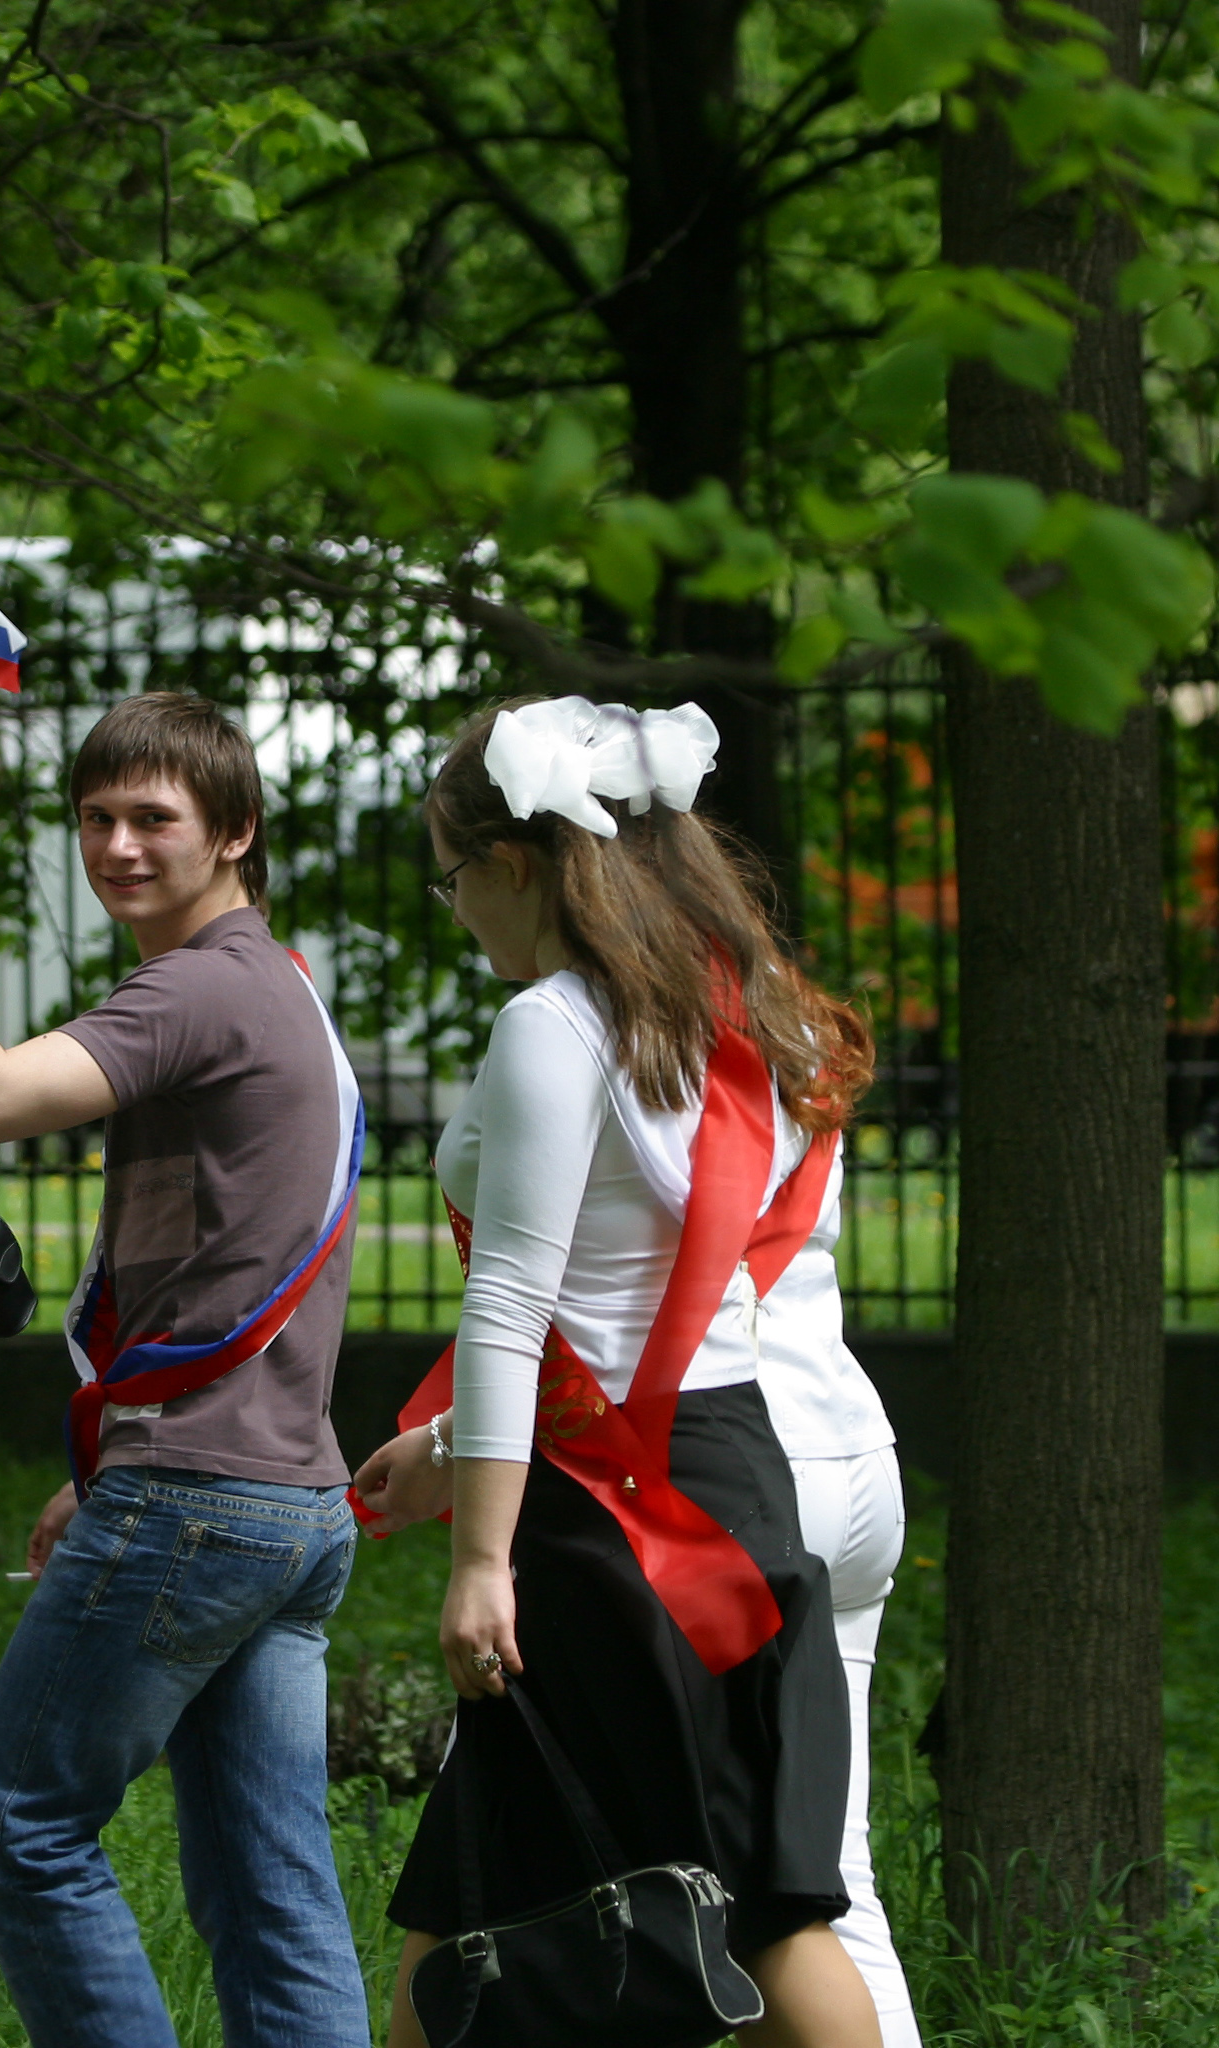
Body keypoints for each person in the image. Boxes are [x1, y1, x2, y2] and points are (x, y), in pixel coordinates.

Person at [348, 695, 882, 2048]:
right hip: (722, 1469)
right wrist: (461, 1445)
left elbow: (519, 1297)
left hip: (608, 1521)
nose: (456, 908)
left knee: (515, 1913)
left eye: (454, 876)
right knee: (762, 1900)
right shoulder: (722, 1014)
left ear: (516, 865)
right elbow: (636, 1303)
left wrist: (480, 1557)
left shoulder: (555, 1026)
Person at [0, 693, 371, 2048]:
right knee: (273, 1893)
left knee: (23, 1834)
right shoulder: (274, 985)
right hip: (282, 1503)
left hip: (201, 1500)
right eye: (96, 818)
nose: (119, 847)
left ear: (236, 832)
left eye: (156, 819)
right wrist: (110, 1470)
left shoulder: (202, 986)